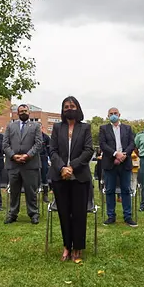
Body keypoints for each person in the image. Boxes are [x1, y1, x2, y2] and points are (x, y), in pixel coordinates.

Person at [49, 96, 93, 263]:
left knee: (79, 214)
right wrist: (62, 168)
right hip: (60, 177)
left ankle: (78, 248)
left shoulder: (85, 127)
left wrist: (72, 167)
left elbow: (88, 150)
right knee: (64, 214)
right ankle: (67, 246)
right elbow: (52, 150)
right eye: (66, 106)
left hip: (79, 177)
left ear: (77, 108)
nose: (69, 108)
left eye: (72, 106)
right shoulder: (57, 127)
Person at [3, 104, 43, 225]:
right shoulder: (10, 126)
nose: (23, 112)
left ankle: (33, 214)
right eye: (21, 111)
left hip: (30, 164)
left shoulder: (36, 126)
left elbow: (39, 143)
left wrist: (27, 155)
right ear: (17, 113)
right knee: (14, 191)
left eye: (25, 110)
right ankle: (13, 214)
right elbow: (5, 144)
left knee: (31, 191)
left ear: (29, 112)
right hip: (14, 164)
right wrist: (13, 156)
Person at [98, 107, 136, 227]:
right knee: (109, 190)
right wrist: (115, 154)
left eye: (115, 113)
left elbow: (132, 143)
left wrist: (124, 154)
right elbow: (103, 144)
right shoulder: (103, 129)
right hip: (110, 163)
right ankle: (111, 216)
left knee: (126, 190)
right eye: (111, 114)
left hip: (125, 163)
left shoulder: (127, 128)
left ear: (119, 114)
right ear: (108, 116)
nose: (113, 115)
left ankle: (128, 216)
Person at [39, 122, 51, 203]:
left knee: (44, 176)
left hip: (44, 158)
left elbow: (50, 150)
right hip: (33, 158)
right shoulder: (32, 137)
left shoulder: (46, 137)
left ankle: (45, 194)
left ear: (42, 128)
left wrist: (50, 160)